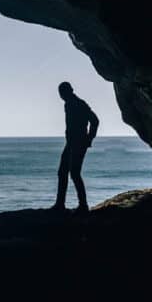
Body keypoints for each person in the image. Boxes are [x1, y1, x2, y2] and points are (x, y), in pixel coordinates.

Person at [53, 81, 99, 213]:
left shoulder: (79, 104)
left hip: (78, 143)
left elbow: (95, 120)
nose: (61, 96)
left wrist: (89, 138)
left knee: (74, 173)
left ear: (69, 91)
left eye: (62, 93)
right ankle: (60, 204)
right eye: (60, 93)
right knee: (63, 172)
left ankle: (83, 205)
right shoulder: (68, 104)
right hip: (71, 143)